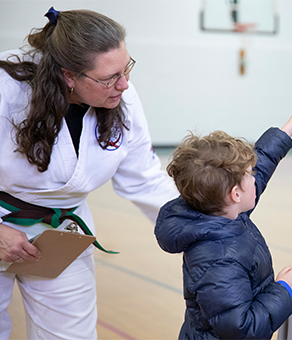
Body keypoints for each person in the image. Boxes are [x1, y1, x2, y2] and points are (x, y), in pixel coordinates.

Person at [0, 7, 177, 339]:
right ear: (69, 76)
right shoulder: (7, 88)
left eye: (127, 69)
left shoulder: (121, 95)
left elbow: (145, 177)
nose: (124, 84)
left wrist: (200, 225)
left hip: (62, 232)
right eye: (110, 77)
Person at [154, 101, 292, 339]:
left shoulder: (219, 211)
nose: (255, 176)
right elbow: (240, 329)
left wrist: (287, 129)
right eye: (249, 174)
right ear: (236, 194)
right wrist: (284, 290)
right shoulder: (220, 259)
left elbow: (262, 165)